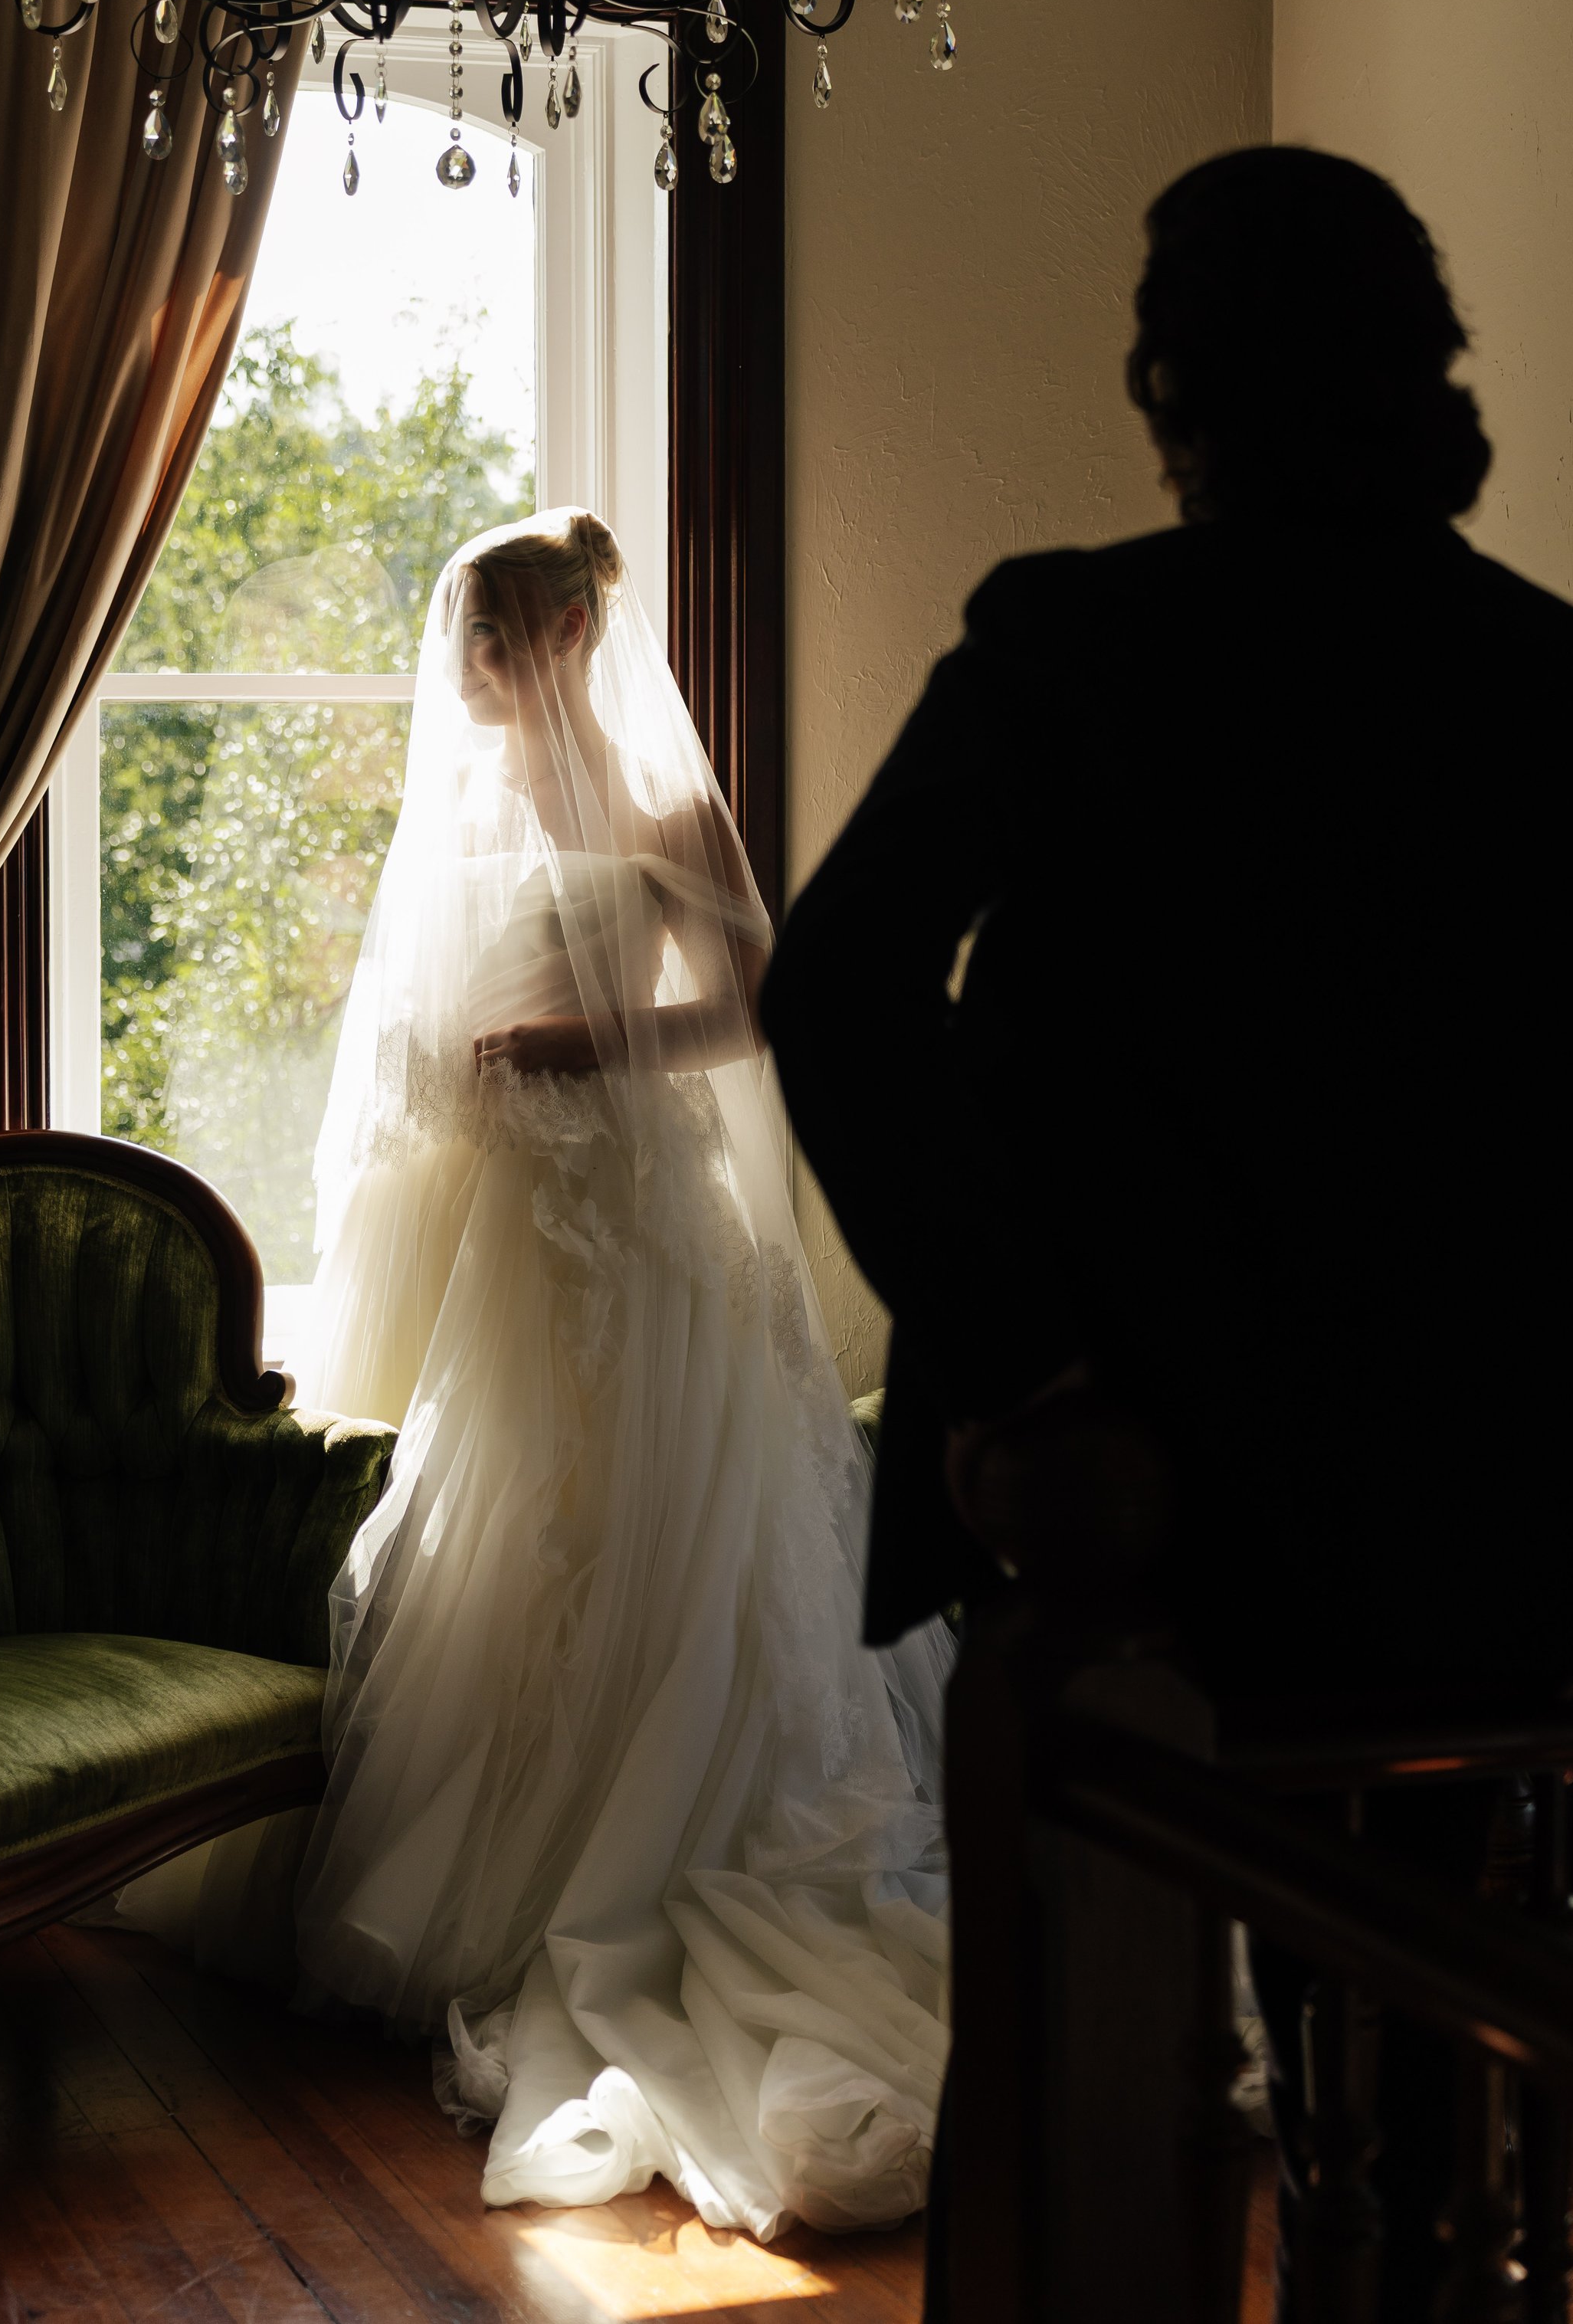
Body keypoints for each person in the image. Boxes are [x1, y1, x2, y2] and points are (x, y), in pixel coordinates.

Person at [760, 146, 1573, 2316]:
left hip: (1138, 1514)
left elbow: (837, 986)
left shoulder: (1070, 645)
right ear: (1428, 371)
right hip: (1481, 1514)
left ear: (1169, 386)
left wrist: (1027, 1376)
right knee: (1427, 1996)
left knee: (1095, 2049)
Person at [123, 507, 953, 2246]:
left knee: (650, 1528)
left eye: (497, 640)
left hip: (629, 1217)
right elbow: (420, 1021)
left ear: (566, 635)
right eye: (470, 643)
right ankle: (496, 1845)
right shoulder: (467, 812)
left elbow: (753, 1007)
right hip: (498, 1215)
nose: (476, 670)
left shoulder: (657, 812)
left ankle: (637, 1848)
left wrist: (582, 1040)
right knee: (498, 1534)